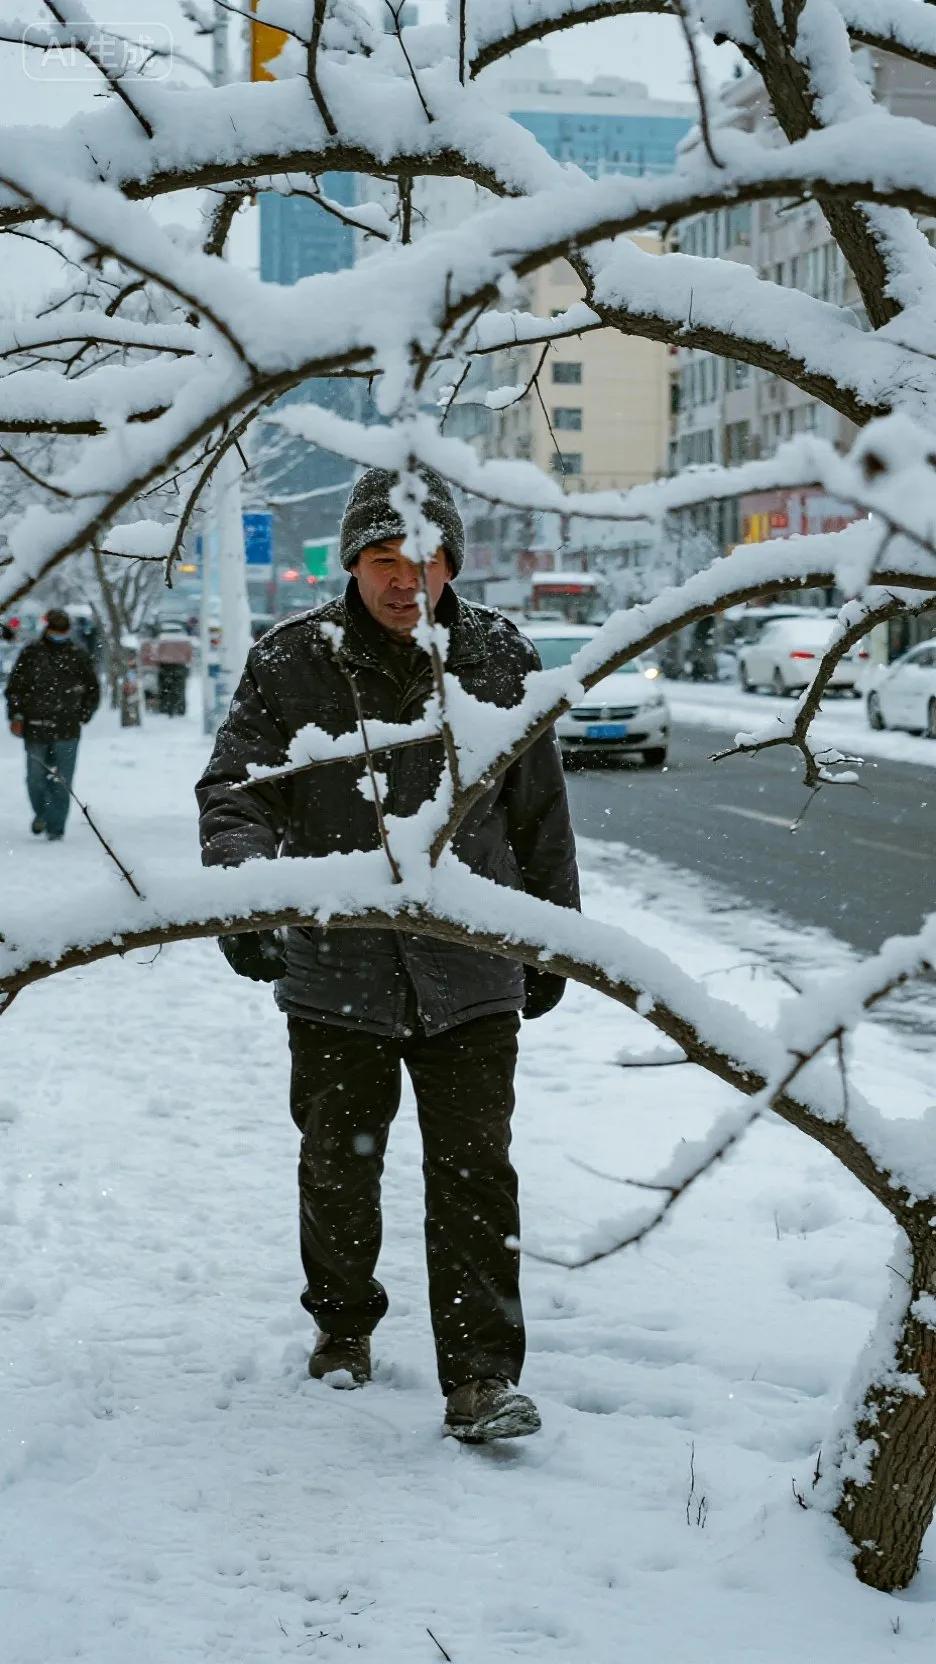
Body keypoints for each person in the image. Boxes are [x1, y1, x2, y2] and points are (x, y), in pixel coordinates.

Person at [197, 466, 580, 1444]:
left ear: (453, 559)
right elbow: (236, 793)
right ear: (351, 562)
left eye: (429, 560)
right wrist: (251, 899)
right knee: (337, 1163)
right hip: (338, 971)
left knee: (475, 1172)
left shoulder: (499, 654)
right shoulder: (294, 662)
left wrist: (552, 936)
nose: (409, 580)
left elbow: (539, 814)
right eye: (385, 562)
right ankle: (341, 1327)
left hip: (473, 962)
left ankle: (482, 1376)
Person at [5, 607, 100, 841]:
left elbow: (92, 688)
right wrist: (16, 716)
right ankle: (42, 814)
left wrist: (83, 714)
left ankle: (55, 827)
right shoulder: (31, 653)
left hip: (67, 728)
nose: (59, 634)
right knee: (35, 778)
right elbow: (15, 688)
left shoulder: (78, 655)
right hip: (34, 727)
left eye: (63, 630)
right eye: (56, 630)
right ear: (48, 629)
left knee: (61, 780)